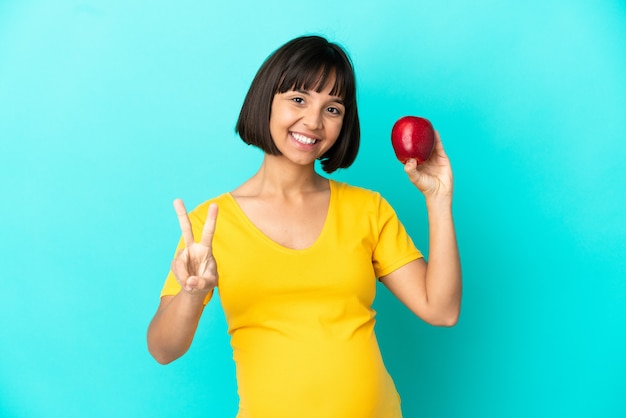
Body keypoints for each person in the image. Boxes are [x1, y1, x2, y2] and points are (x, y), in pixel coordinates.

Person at [147, 35, 461, 418]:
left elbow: (441, 310)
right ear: (266, 101)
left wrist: (438, 201)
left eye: (333, 109)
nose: (313, 121)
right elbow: (163, 350)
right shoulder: (211, 224)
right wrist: (192, 294)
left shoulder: (367, 209)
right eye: (298, 99)